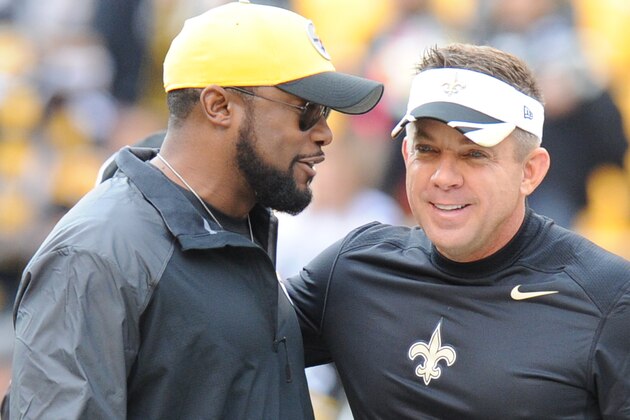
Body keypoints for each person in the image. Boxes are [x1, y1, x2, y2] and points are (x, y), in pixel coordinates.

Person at [4, 1, 383, 418]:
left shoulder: (241, 221)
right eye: (306, 111)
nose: (325, 133)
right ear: (219, 106)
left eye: (325, 113)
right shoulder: (98, 251)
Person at [285, 43, 630, 418]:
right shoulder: (353, 269)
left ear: (530, 171)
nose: (443, 177)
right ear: (406, 156)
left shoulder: (608, 299)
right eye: (427, 151)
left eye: (474, 154)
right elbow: (229, 336)